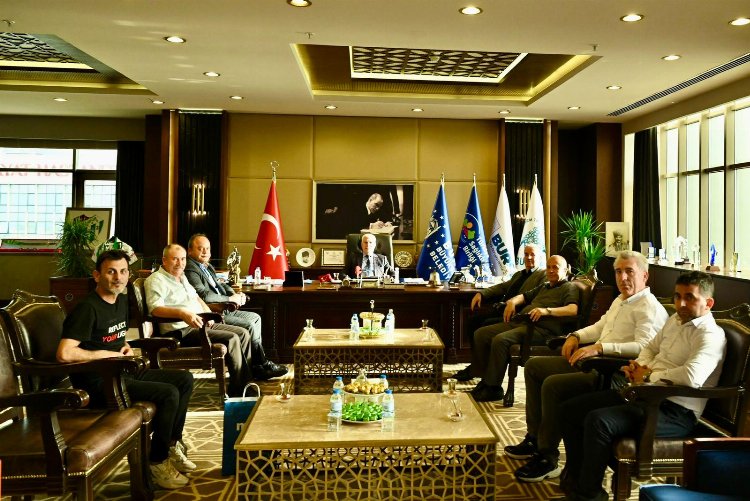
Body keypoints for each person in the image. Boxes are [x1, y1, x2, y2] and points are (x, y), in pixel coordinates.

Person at [555, 271, 726, 501]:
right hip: (645, 396)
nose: (681, 304)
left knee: (598, 421)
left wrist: (648, 375)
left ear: (709, 303)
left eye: (690, 298)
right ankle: (576, 480)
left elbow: (691, 376)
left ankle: (589, 494)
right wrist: (638, 366)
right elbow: (650, 348)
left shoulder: (711, 335)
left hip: (675, 412)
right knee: (569, 409)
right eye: (677, 296)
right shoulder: (675, 321)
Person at [508, 251, 668, 483]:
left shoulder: (648, 307)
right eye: (618, 272)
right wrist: (575, 336)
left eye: (629, 272)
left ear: (644, 275)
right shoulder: (621, 300)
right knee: (534, 366)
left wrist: (601, 348)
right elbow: (599, 326)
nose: (623, 278)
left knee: (553, 385)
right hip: (594, 362)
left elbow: (642, 347)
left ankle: (547, 457)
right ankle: (534, 438)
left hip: (615, 373)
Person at [57, 249, 195, 490]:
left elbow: (113, 339)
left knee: (184, 379)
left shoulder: (120, 300)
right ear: (97, 275)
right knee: (168, 393)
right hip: (98, 383)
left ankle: (171, 445)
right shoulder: (87, 308)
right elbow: (65, 353)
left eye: (122, 272)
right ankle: (157, 461)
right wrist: (106, 354)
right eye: (111, 272)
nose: (118, 277)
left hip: (121, 371)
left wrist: (125, 347)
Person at [145, 244, 257, 397]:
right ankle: (240, 391)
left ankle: (243, 384)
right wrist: (183, 313)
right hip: (180, 331)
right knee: (232, 338)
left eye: (183, 259)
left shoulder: (181, 277)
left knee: (243, 333)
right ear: (164, 260)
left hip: (199, 324)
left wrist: (208, 313)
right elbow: (155, 309)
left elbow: (196, 298)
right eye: (175, 259)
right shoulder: (156, 280)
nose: (180, 263)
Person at [470, 255, 580, 402]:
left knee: (500, 340)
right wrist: (512, 302)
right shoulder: (545, 286)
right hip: (523, 323)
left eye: (555, 267)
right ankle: (485, 380)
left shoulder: (569, 287)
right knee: (481, 334)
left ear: (565, 270)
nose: (551, 270)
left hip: (542, 330)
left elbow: (573, 309)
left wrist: (546, 311)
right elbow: (524, 296)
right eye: (548, 267)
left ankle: (493, 388)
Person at [184, 234, 287, 380]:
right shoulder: (190, 268)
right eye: (200, 249)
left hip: (225, 306)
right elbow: (204, 295)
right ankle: (260, 365)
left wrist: (235, 294)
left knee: (255, 318)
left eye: (207, 248)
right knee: (249, 325)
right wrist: (229, 299)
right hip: (214, 311)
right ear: (190, 251)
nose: (205, 252)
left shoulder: (207, 266)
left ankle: (257, 365)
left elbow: (221, 285)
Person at [454, 244, 547, 381]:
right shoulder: (519, 274)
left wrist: (514, 303)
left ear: (540, 257)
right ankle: (477, 365)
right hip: (503, 310)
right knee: (472, 322)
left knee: (483, 326)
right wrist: (482, 294)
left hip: (518, 316)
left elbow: (535, 296)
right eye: (526, 254)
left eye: (532, 254)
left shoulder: (543, 275)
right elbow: (503, 287)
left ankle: (480, 369)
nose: (528, 257)